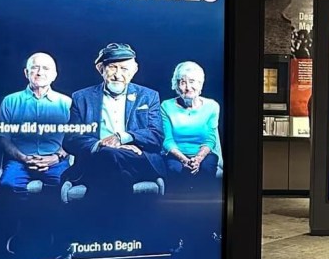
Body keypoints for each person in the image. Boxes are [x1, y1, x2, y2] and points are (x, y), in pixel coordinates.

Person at [62, 42, 164, 196]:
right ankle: (124, 190)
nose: (118, 74)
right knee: (109, 157)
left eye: (124, 69)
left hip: (136, 158)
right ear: (101, 69)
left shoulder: (149, 96)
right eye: (113, 67)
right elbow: (70, 139)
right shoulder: (81, 98)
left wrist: (122, 138)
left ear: (134, 70)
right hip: (96, 158)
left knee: (109, 159)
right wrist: (100, 144)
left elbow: (156, 135)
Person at [0, 52, 71, 195]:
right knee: (7, 187)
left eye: (46, 68)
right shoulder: (9, 101)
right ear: (26, 73)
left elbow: (74, 139)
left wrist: (56, 157)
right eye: (35, 68)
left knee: (61, 187)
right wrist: (23, 158)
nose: (40, 72)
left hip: (56, 161)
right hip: (18, 161)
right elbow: (3, 138)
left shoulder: (67, 103)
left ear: (54, 75)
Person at [161, 61, 222, 190]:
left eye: (192, 81)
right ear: (176, 86)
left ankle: (205, 203)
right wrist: (184, 160)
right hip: (176, 155)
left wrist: (198, 159)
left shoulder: (212, 106)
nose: (188, 87)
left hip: (204, 154)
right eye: (183, 82)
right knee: (175, 170)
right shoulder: (166, 106)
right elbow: (167, 140)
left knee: (207, 169)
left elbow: (211, 139)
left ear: (200, 84)